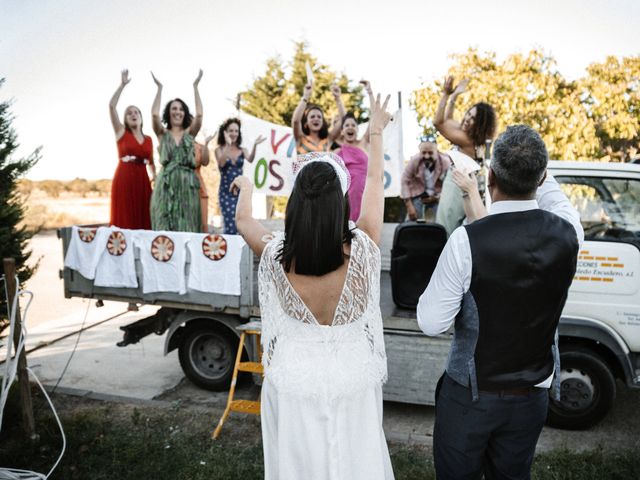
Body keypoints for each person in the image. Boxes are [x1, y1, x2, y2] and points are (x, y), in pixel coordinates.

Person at [230, 93, 394, 479]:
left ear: (295, 205)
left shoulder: (275, 256)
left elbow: (243, 221)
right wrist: (376, 131)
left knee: (299, 464)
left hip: (294, 378)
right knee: (357, 460)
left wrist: (248, 183)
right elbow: (373, 180)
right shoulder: (366, 247)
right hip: (353, 374)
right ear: (341, 203)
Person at [417, 124, 584, 479]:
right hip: (532, 396)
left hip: (470, 397)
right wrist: (535, 168)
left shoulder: (466, 241)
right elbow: (552, 197)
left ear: (489, 175)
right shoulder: (570, 232)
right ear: (541, 179)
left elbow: (431, 323)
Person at [434, 75, 497, 235]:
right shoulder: (471, 137)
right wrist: (454, 96)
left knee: (445, 226)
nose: (467, 119)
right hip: (467, 182)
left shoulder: (466, 139)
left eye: (473, 118)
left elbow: (438, 123)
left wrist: (446, 94)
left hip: (458, 183)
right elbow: (448, 119)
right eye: (469, 114)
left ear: (481, 124)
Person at [149, 70, 203, 232]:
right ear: (169, 112)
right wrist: (159, 88)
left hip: (188, 187)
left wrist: (195, 87)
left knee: (189, 226)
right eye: (174, 108)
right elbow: (153, 114)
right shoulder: (162, 134)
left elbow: (199, 115)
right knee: (163, 225)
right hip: (166, 185)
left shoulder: (190, 134)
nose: (177, 112)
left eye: (180, 109)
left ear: (184, 113)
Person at [108, 69, 155, 229]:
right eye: (129, 113)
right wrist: (122, 85)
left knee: (144, 217)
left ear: (141, 117)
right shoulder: (121, 133)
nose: (133, 114)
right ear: (125, 119)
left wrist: (155, 180)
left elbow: (152, 163)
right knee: (125, 217)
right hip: (124, 177)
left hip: (142, 180)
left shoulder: (148, 139)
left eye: (136, 112)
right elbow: (112, 106)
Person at [215, 118, 265, 234]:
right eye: (231, 131)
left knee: (241, 222)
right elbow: (221, 163)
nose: (234, 133)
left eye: (236, 131)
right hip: (225, 192)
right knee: (228, 224)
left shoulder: (243, 150)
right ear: (225, 132)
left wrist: (255, 145)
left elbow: (250, 159)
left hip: (241, 192)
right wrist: (228, 144)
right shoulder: (219, 149)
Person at [400, 139, 451, 222]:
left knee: (441, 220)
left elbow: (449, 186)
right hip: (418, 195)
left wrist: (437, 197)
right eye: (423, 153)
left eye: (430, 153)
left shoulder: (445, 162)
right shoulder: (414, 160)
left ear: (436, 151)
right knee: (412, 219)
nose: (426, 156)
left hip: (438, 196)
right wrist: (409, 206)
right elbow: (404, 181)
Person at [292, 81, 343, 154]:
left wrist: (338, 98)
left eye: (319, 117)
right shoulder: (301, 139)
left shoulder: (328, 140)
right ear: (306, 123)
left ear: (322, 122)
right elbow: (296, 121)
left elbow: (343, 120)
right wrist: (305, 96)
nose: (316, 119)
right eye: (312, 117)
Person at [194, 136, 214, 233]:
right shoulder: (175, 143)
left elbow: (205, 162)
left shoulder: (199, 147)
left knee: (201, 221)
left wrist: (206, 144)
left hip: (198, 185)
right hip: (179, 185)